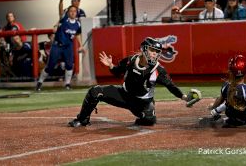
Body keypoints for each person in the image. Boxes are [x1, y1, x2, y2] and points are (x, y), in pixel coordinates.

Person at [68, 37, 196, 127]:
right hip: (124, 94)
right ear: (143, 49)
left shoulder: (159, 70)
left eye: (157, 52)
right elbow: (117, 72)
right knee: (95, 91)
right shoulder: (131, 60)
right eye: (152, 50)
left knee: (149, 120)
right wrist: (111, 65)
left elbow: (171, 86)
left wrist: (184, 97)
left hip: (142, 102)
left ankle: (143, 116)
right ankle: (82, 120)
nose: (154, 54)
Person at [36, 5, 83, 91]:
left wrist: (81, 45)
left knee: (69, 65)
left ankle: (67, 84)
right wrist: (61, 1)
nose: (73, 12)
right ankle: (39, 82)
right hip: (57, 46)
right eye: (71, 11)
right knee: (50, 66)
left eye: (74, 11)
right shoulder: (64, 20)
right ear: (68, 12)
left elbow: (78, 34)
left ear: (76, 13)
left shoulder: (78, 24)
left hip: (68, 47)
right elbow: (61, 11)